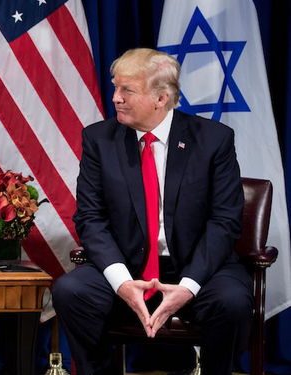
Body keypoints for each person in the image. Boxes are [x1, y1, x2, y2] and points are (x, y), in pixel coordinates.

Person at [52, 48, 252, 374]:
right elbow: (90, 217)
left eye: (127, 90)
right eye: (115, 87)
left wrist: (188, 285)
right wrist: (121, 282)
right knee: (72, 291)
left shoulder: (213, 140)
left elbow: (224, 222)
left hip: (196, 265)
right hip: (127, 264)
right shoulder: (99, 139)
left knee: (231, 301)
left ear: (161, 98)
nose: (115, 97)